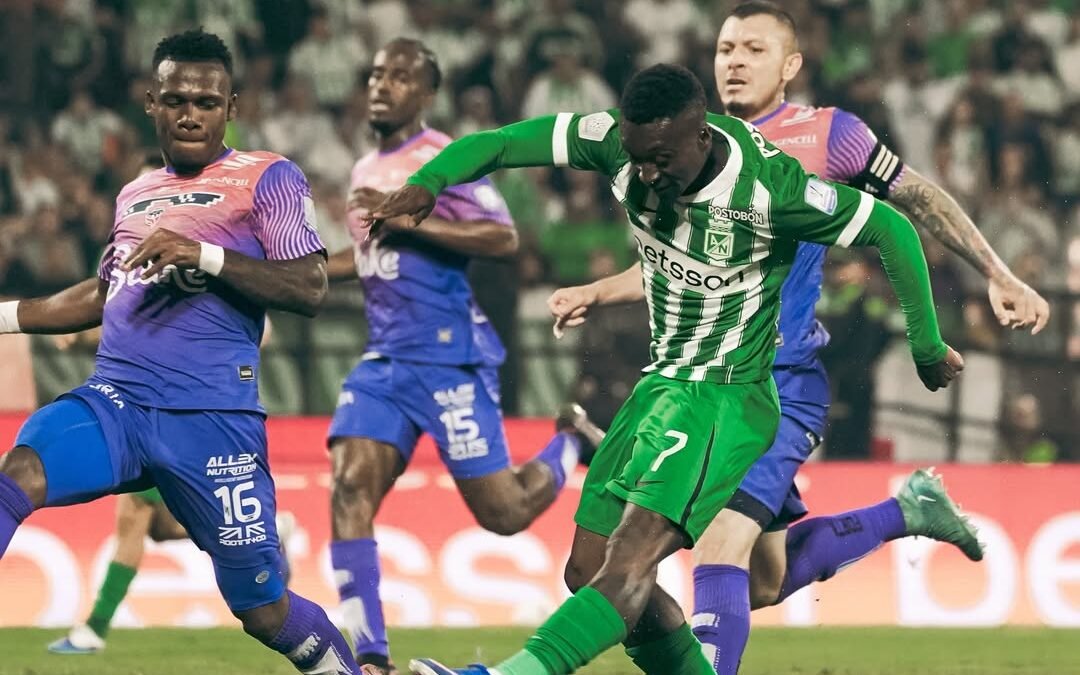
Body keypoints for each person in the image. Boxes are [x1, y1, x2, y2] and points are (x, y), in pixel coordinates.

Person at [368, 63, 963, 675]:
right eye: (637, 158)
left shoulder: (769, 189)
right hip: (660, 388)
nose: (647, 174)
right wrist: (429, 181)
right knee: (587, 570)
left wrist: (926, 346)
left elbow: (892, 228)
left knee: (632, 558)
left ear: (701, 136)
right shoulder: (618, 142)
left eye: (660, 159)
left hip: (724, 399)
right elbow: (502, 143)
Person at [0, 29, 361, 674]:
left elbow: (308, 286)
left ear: (231, 107)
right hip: (117, 402)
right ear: (151, 103)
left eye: (206, 101)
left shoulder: (268, 178)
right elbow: (105, 291)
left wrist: (206, 255)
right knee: (19, 472)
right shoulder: (136, 194)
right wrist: (3, 318)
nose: (190, 114)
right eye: (175, 100)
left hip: (212, 420)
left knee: (264, 611)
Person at [325, 39, 582, 675]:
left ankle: (573, 441)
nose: (383, 84)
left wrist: (412, 221)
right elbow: (371, 256)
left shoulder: (443, 158)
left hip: (449, 360)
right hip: (386, 360)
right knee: (349, 487)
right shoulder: (364, 167)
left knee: (504, 513)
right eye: (377, 73)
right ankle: (370, 660)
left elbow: (503, 236)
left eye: (401, 76)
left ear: (427, 93)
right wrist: (294, 272)